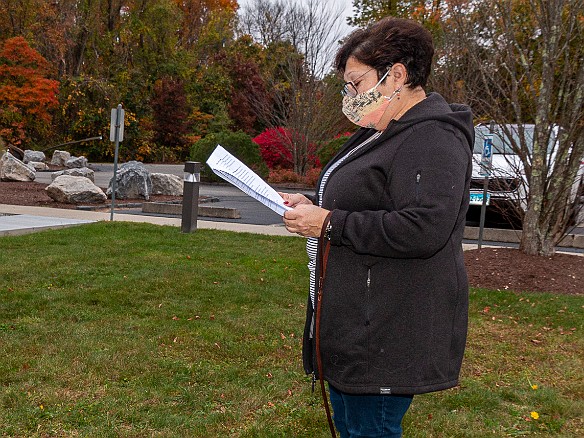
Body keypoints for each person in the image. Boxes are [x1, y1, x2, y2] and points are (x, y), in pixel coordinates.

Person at [280, 17, 474, 438]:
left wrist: (329, 223)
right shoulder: (382, 131)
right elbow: (370, 203)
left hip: (386, 332)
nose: (349, 96)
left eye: (356, 82)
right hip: (358, 327)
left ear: (397, 75)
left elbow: (424, 227)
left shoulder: (431, 137)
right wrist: (315, 208)